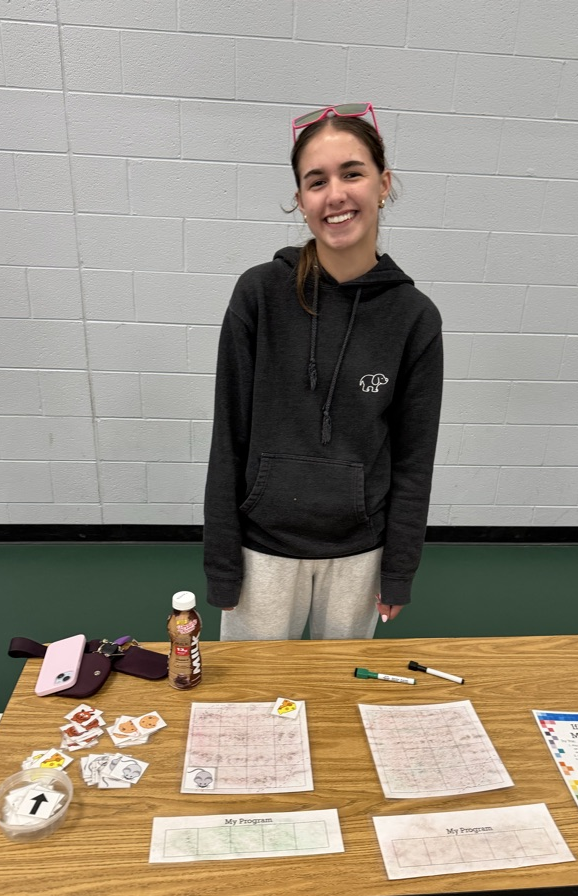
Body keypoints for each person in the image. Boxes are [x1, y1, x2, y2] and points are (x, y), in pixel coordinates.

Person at [203, 102, 443, 641]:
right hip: (262, 550)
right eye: (316, 181)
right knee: (255, 705)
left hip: (359, 553)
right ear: (300, 201)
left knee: (340, 702)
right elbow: (228, 436)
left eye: (352, 173)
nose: (335, 194)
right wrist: (222, 565)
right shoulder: (258, 294)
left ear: (383, 185)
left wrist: (399, 570)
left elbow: (413, 460)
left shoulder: (415, 318)